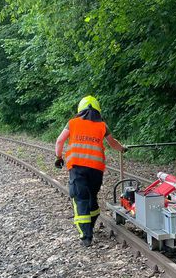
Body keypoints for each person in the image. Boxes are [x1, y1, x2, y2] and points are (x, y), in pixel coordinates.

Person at [54, 96, 126, 247]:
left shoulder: (72, 123)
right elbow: (113, 143)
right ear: (98, 110)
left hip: (77, 168)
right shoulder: (102, 126)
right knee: (92, 196)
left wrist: (59, 157)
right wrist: (123, 149)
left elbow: (60, 141)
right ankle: (91, 225)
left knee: (80, 198)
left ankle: (86, 236)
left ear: (80, 110)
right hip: (96, 169)